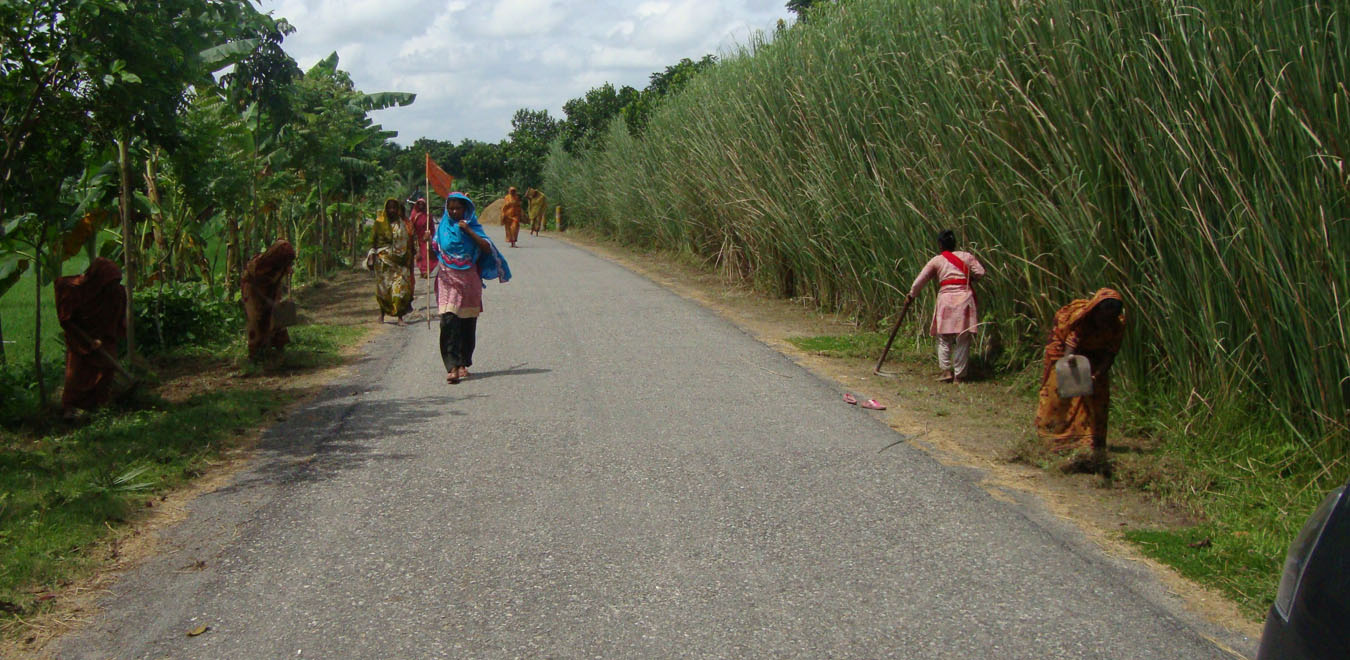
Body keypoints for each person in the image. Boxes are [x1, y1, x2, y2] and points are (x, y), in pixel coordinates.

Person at [1035, 288, 1127, 455]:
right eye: (1103, 318)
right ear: (1096, 312)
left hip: (1096, 357)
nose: (1105, 322)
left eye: (1109, 318)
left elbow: (1110, 355)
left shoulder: (1116, 326)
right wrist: (1078, 374)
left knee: (1096, 396)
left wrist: (1096, 374)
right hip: (1068, 355)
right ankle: (1056, 440)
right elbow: (1069, 353)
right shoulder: (1082, 321)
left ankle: (1090, 441)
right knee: (1060, 397)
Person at [435, 192, 511, 383]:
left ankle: (463, 363)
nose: (454, 212)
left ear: (465, 209)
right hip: (447, 279)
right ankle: (451, 366)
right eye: (451, 208)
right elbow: (435, 250)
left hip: (469, 280)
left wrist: (468, 231)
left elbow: (486, 247)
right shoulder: (442, 228)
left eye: (458, 208)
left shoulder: (473, 226)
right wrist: (428, 241)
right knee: (448, 321)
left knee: (466, 324)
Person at [906, 229, 986, 383]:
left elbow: (919, 281)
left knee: (943, 337)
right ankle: (959, 376)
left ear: (940, 245)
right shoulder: (967, 257)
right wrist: (970, 279)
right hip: (964, 298)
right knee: (963, 338)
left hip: (946, 300)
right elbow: (981, 272)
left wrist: (911, 295)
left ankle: (946, 371)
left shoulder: (937, 260)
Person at [54, 257, 127, 415]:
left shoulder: (116, 293)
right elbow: (67, 319)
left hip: (105, 337)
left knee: (106, 370)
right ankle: (70, 407)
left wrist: (103, 336)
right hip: (80, 339)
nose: (113, 286)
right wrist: (87, 339)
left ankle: (100, 406)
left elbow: (116, 316)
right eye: (110, 283)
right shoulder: (74, 290)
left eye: (116, 282)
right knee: (77, 374)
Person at [241, 240, 296, 361]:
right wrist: (268, 301)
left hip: (270, 290)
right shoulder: (258, 266)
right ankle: (255, 356)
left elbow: (277, 279)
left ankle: (277, 351)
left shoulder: (279, 264)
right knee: (256, 319)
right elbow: (257, 287)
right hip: (252, 291)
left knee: (275, 317)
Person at [367, 198, 415, 324]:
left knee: (399, 288)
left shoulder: (402, 224)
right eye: (389, 207)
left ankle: (400, 316)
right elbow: (372, 241)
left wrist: (410, 256)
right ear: (385, 209)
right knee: (384, 289)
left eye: (394, 207)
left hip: (400, 262)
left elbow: (407, 242)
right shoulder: (379, 223)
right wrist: (371, 256)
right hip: (383, 262)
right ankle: (382, 314)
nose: (392, 210)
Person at [409, 196, 432, 278]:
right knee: (419, 255)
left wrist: (430, 234)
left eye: (423, 204)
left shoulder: (428, 215)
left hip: (425, 237)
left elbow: (431, 226)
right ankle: (422, 270)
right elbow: (410, 226)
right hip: (417, 237)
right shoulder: (414, 215)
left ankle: (425, 270)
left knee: (426, 254)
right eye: (420, 204)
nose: (421, 206)